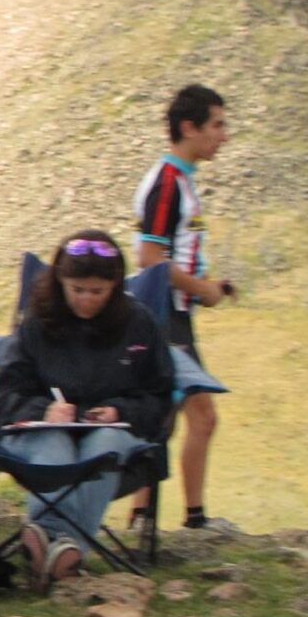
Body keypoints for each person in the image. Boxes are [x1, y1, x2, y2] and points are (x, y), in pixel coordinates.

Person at [0, 232, 175, 587]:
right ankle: (66, 553)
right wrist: (45, 410)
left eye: (97, 291)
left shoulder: (139, 323)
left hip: (114, 433)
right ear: (60, 282)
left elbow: (160, 395)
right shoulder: (38, 321)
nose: (86, 299)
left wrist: (119, 412)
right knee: (53, 444)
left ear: (115, 287)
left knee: (103, 447)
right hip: (43, 431)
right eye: (77, 289)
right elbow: (5, 393)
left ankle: (46, 541)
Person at [132, 83, 237, 534]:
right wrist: (202, 289)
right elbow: (150, 259)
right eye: (217, 125)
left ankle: (143, 516)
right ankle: (190, 520)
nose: (224, 136)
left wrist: (206, 288)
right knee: (198, 415)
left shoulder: (181, 180)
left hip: (175, 311)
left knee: (167, 417)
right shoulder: (169, 183)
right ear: (189, 127)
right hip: (163, 315)